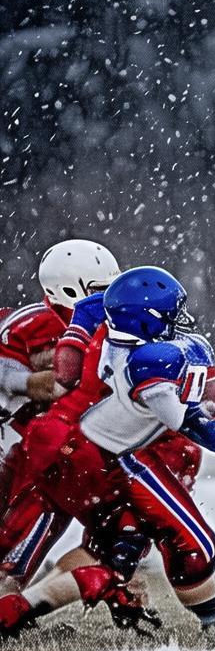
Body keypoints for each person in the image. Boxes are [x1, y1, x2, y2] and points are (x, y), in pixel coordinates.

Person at [0, 266, 215, 641]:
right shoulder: (152, 362)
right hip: (98, 454)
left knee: (106, 549)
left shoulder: (103, 324)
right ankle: (208, 622)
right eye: (170, 314)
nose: (178, 322)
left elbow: (76, 342)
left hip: (53, 444)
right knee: (194, 546)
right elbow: (195, 424)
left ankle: (18, 609)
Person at [0, 240, 121, 596]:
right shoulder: (31, 324)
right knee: (21, 533)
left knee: (108, 536)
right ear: (68, 288)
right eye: (100, 289)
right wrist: (48, 383)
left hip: (65, 449)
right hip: (19, 443)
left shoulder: (109, 326)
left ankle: (21, 602)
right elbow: (11, 381)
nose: (109, 298)